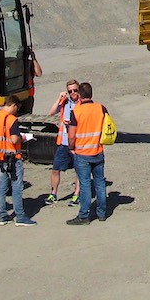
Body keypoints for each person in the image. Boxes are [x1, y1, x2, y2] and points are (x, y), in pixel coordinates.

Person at [66, 82, 109, 225]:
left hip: (82, 153)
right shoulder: (100, 108)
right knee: (100, 183)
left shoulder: (76, 111)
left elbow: (71, 136)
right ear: (91, 94)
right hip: (98, 151)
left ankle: (84, 216)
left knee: (85, 185)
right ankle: (102, 213)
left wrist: (71, 147)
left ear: (79, 94)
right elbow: (108, 127)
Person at [0, 95, 36, 227]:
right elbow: (14, 140)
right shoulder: (11, 120)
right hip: (13, 157)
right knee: (17, 187)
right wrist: (23, 138)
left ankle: (3, 216)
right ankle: (20, 216)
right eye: (17, 108)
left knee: (2, 187)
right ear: (14, 105)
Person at [46, 79, 81, 206]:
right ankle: (53, 194)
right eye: (70, 91)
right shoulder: (65, 102)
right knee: (56, 169)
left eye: (75, 90)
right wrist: (59, 98)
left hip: (77, 143)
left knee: (79, 170)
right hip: (64, 142)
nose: (73, 93)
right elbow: (51, 112)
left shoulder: (82, 104)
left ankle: (76, 195)